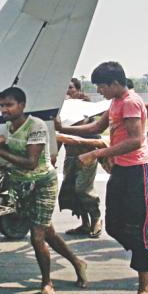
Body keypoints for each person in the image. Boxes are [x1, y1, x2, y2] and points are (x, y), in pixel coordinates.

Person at [55, 61, 148, 294]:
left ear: (114, 84)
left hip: (137, 171)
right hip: (121, 170)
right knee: (115, 227)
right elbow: (97, 127)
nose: (99, 91)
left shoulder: (131, 102)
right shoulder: (116, 103)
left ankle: (144, 289)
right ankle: (146, 257)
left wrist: (97, 154)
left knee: (139, 229)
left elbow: (135, 141)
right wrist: (62, 128)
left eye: (102, 86)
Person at [0, 87, 88, 294]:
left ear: (22, 106)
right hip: (22, 186)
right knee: (48, 232)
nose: (4, 109)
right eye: (1, 105)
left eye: (9, 105)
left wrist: (1, 151)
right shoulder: (8, 126)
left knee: (37, 237)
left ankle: (47, 282)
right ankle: (77, 262)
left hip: (43, 183)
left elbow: (30, 162)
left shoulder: (35, 125)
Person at [59, 78, 103, 238]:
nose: (67, 91)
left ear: (77, 90)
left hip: (87, 156)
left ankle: (96, 219)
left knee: (83, 189)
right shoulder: (61, 111)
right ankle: (85, 223)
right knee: (72, 190)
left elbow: (92, 130)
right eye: (65, 88)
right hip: (70, 157)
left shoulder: (86, 110)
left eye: (70, 88)